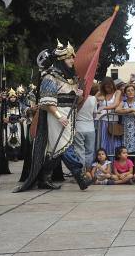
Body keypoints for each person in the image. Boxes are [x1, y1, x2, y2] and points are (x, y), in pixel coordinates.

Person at [15, 40, 89, 191]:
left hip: (70, 115)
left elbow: (76, 102)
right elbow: (46, 102)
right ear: (61, 60)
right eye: (69, 58)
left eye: (72, 57)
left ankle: (44, 178)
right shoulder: (50, 76)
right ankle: (80, 176)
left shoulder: (73, 78)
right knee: (64, 146)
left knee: (56, 149)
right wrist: (58, 116)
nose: (72, 60)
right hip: (56, 116)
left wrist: (79, 96)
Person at [73, 82, 97, 170]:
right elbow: (94, 114)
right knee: (90, 151)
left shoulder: (76, 99)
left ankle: (81, 172)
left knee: (79, 151)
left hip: (78, 126)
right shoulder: (94, 98)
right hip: (90, 127)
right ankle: (88, 171)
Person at [95, 78, 122, 156]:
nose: (108, 89)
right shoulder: (102, 94)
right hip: (102, 121)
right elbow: (94, 98)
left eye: (109, 86)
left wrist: (104, 108)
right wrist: (100, 90)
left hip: (113, 121)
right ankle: (103, 160)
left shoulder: (117, 92)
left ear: (113, 85)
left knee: (113, 142)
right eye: (106, 87)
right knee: (102, 141)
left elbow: (115, 104)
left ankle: (113, 161)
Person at [117, 84, 135, 156]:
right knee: (126, 147)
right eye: (128, 91)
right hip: (126, 128)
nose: (130, 92)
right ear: (125, 93)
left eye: (132, 90)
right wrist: (129, 110)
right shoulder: (123, 102)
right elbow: (117, 110)